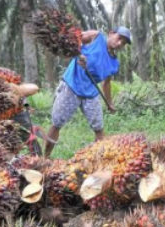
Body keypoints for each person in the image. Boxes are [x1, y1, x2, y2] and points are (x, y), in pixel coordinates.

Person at [44, 26, 131, 158]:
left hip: (90, 93)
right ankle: (45, 158)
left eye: (123, 43)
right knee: (57, 123)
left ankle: (101, 160)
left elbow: (106, 83)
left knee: (99, 128)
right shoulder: (96, 37)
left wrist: (109, 102)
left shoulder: (114, 63)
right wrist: (79, 55)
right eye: (119, 38)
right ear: (111, 33)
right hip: (71, 86)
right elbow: (73, 41)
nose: (120, 44)